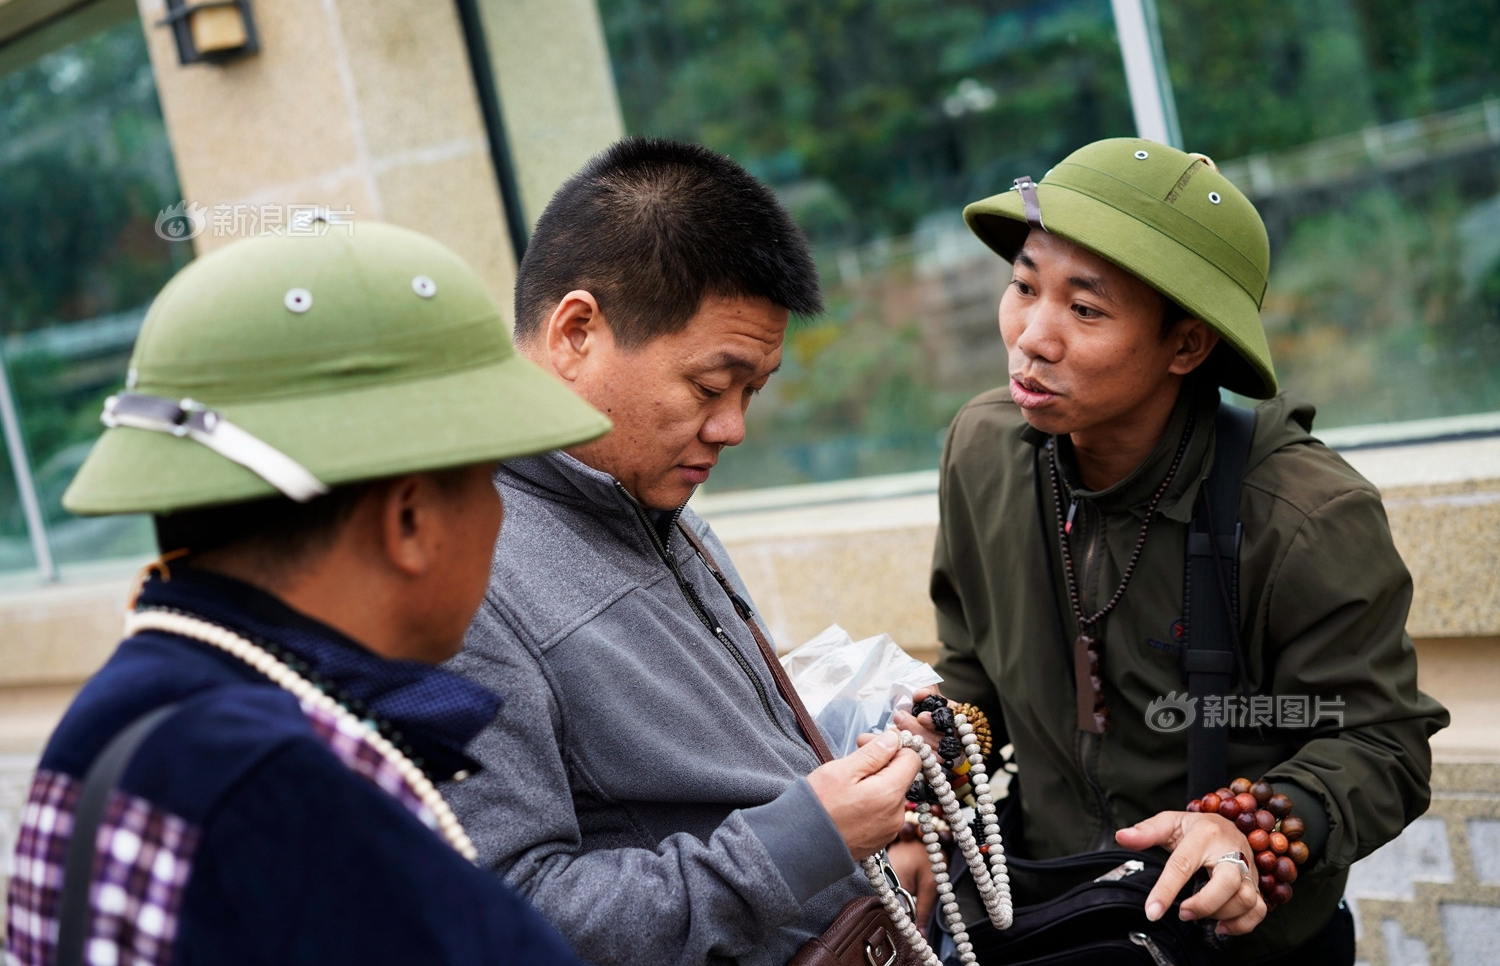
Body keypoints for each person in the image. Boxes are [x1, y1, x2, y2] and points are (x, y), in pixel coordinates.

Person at [898, 138, 1449, 963]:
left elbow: (1381, 744)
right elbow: (978, 670)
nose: (1031, 336)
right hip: (1044, 918)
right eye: (1023, 287)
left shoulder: (1303, 512)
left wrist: (1249, 825)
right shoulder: (983, 450)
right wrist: (926, 781)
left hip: (1236, 943)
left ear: (1186, 346)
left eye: (1085, 310)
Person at [4, 222, 613, 965]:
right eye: (490, 480)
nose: (499, 513)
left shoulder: (123, 713)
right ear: (411, 519)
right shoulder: (291, 787)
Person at [442, 137, 923, 966]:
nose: (732, 427)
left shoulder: (655, 495)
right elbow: (514, 914)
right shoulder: (462, 577)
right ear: (576, 330)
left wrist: (868, 792)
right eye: (709, 386)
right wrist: (806, 840)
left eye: (752, 393)